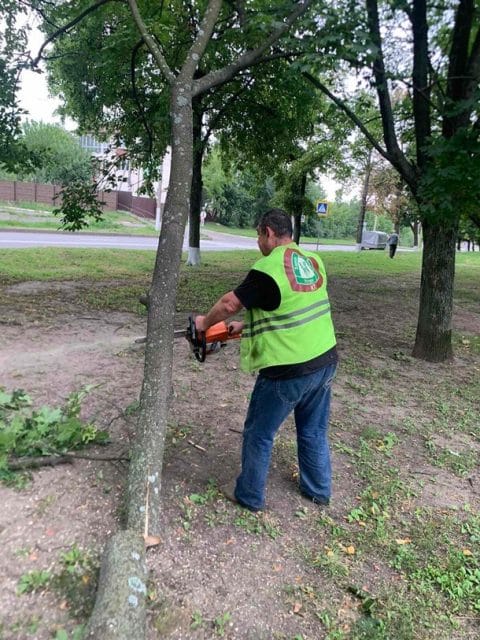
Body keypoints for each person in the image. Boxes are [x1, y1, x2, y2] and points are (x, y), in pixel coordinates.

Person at [195, 209, 338, 512]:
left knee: (259, 432)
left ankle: (249, 495)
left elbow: (230, 303)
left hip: (289, 369)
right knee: (313, 430)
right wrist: (245, 326)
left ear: (270, 233)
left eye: (259, 235)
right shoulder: (312, 261)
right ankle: (319, 490)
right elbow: (293, 305)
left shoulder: (268, 268)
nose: (258, 241)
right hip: (324, 360)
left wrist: (204, 324)